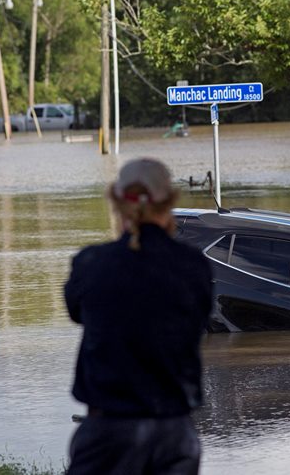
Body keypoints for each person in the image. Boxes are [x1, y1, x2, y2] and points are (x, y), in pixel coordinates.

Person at [64, 158, 213, 475]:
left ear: (116, 200)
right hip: (174, 432)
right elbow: (199, 319)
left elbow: (77, 312)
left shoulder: (91, 263)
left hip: (108, 432)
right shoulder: (194, 266)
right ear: (170, 201)